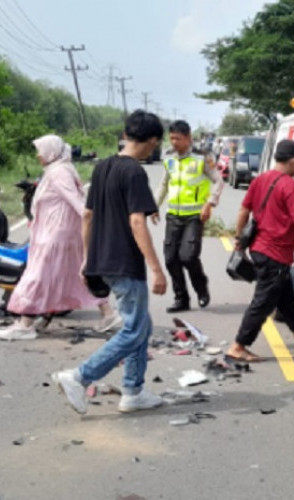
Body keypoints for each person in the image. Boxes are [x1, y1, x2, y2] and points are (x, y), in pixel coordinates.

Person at [52, 110, 167, 415]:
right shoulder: (134, 172)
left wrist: (88, 258)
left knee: (141, 324)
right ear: (153, 141)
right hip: (125, 262)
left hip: (103, 260)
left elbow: (87, 216)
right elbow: (137, 222)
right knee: (134, 329)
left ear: (126, 133)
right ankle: (79, 376)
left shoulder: (102, 167)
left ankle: (133, 390)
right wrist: (156, 268)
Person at [0, 135, 120, 341]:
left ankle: (25, 324)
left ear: (52, 152)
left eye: (41, 150)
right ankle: (109, 315)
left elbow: (79, 205)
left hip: (56, 235)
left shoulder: (59, 173)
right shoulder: (61, 169)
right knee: (76, 275)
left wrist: (95, 223)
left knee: (36, 276)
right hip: (63, 233)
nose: (38, 155)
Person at [226, 140, 294, 362]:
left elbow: (243, 211)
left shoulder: (260, 180)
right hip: (274, 254)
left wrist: (239, 238)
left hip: (260, 250)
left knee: (285, 297)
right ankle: (239, 346)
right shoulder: (290, 185)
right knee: (262, 303)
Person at [153, 120, 224, 313]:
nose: (174, 142)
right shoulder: (168, 157)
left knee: (188, 256)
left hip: (194, 216)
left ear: (188, 138)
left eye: (178, 138)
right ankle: (181, 299)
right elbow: (164, 184)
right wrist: (153, 206)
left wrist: (209, 203)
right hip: (173, 216)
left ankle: (201, 287)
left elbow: (218, 181)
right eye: (172, 138)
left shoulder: (202, 157)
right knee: (170, 259)